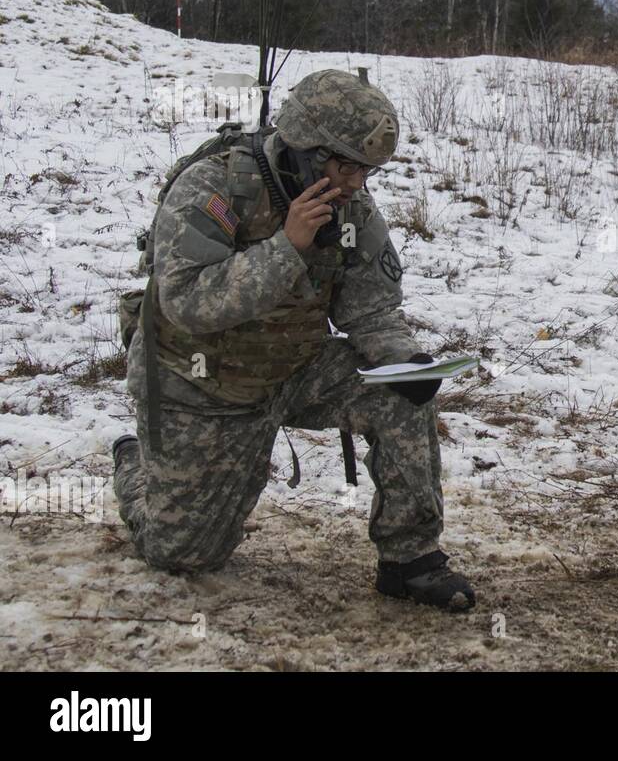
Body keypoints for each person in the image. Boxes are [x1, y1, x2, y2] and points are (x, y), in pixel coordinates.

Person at [112, 69, 475, 611]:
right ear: (306, 150)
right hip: (201, 382)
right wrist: (287, 246)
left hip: (293, 365)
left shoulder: (351, 206)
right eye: (345, 165)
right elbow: (188, 302)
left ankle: (410, 559)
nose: (356, 182)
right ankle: (137, 462)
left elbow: (372, 306)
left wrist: (402, 361)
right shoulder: (211, 189)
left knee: (399, 395)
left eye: (365, 169)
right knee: (183, 554)